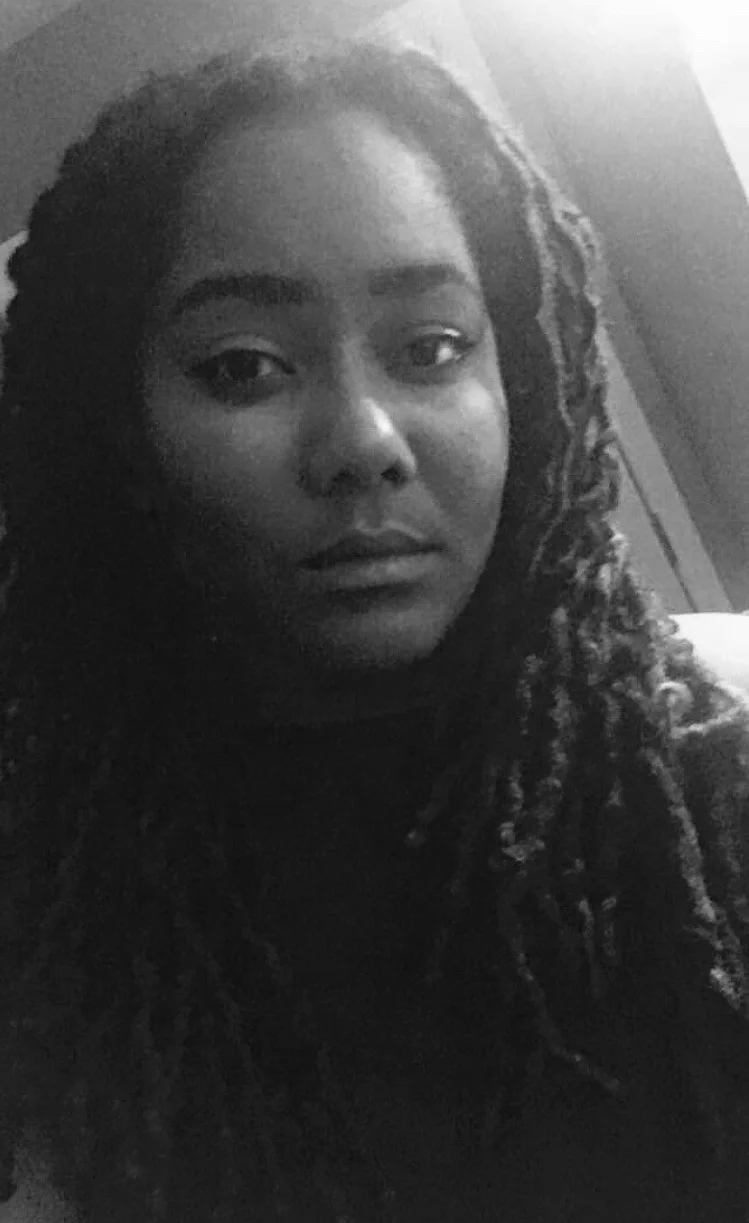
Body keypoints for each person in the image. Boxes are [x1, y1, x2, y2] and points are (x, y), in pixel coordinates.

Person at [1, 34, 749, 1223]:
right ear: (118, 426)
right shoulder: (53, 911)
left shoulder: (713, 792)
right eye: (243, 367)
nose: (362, 440)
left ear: (525, 382)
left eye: (429, 348)